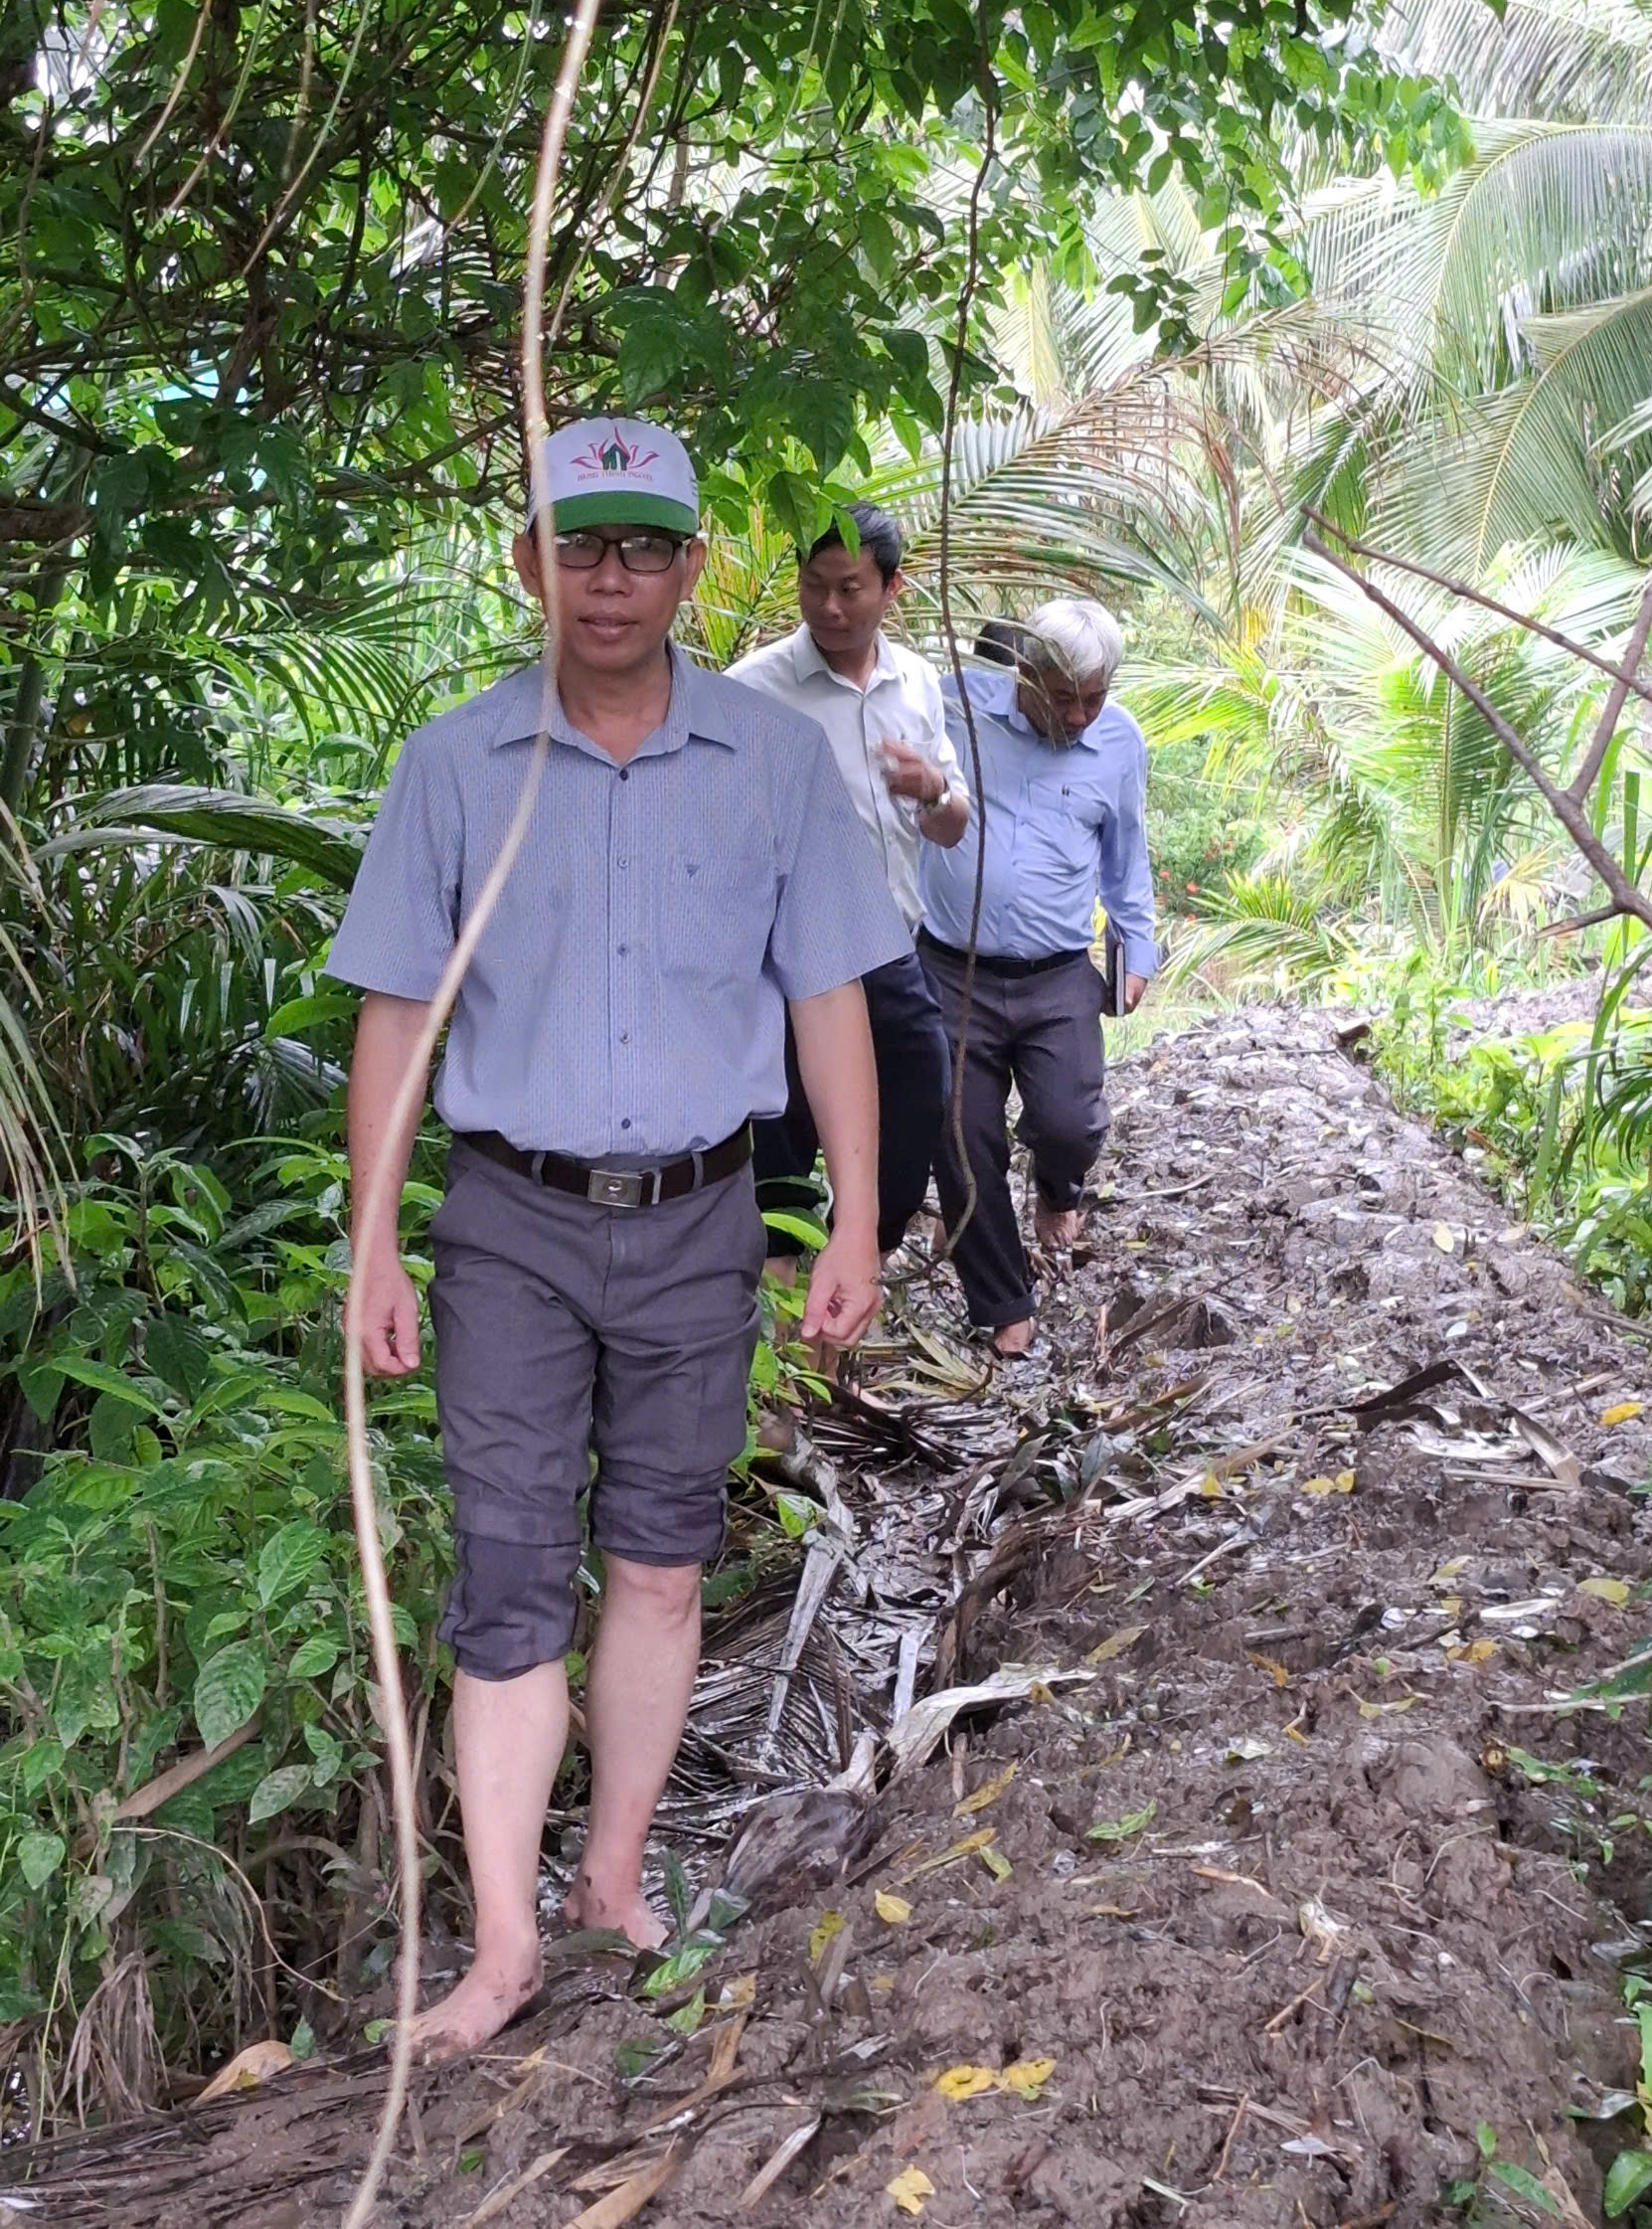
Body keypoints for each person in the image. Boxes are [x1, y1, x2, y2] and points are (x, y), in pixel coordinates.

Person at [328, 418, 909, 2054]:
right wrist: (375, 1243)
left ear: (691, 567)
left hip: (702, 1219)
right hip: (510, 1218)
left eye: (644, 548)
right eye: (580, 546)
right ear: (532, 564)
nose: (610, 580)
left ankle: (611, 1877)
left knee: (658, 1563)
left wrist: (857, 1212)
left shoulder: (773, 762)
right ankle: (502, 1951)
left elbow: (830, 1001)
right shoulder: (456, 765)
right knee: (512, 1572)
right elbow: (395, 1017)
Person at [727, 503, 968, 1272]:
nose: (829, 606)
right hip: (782, 954)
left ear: (892, 588)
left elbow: (951, 825)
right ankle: (784, 1293)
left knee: (921, 1096)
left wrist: (931, 785)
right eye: (814, 586)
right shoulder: (751, 690)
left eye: (850, 589)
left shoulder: (919, 685)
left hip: (890, 947)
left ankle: (868, 1246)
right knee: (784, 1128)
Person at [917, 597, 1158, 1357]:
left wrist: (1137, 949)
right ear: (1025, 674)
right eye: (1064, 698)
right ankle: (1004, 1304)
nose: (1082, 714)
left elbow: (1127, 857)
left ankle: (1060, 1187)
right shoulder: (955, 706)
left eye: (1096, 697)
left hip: (1059, 974)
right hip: (951, 970)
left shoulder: (1119, 744)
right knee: (961, 1137)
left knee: (1071, 1124)